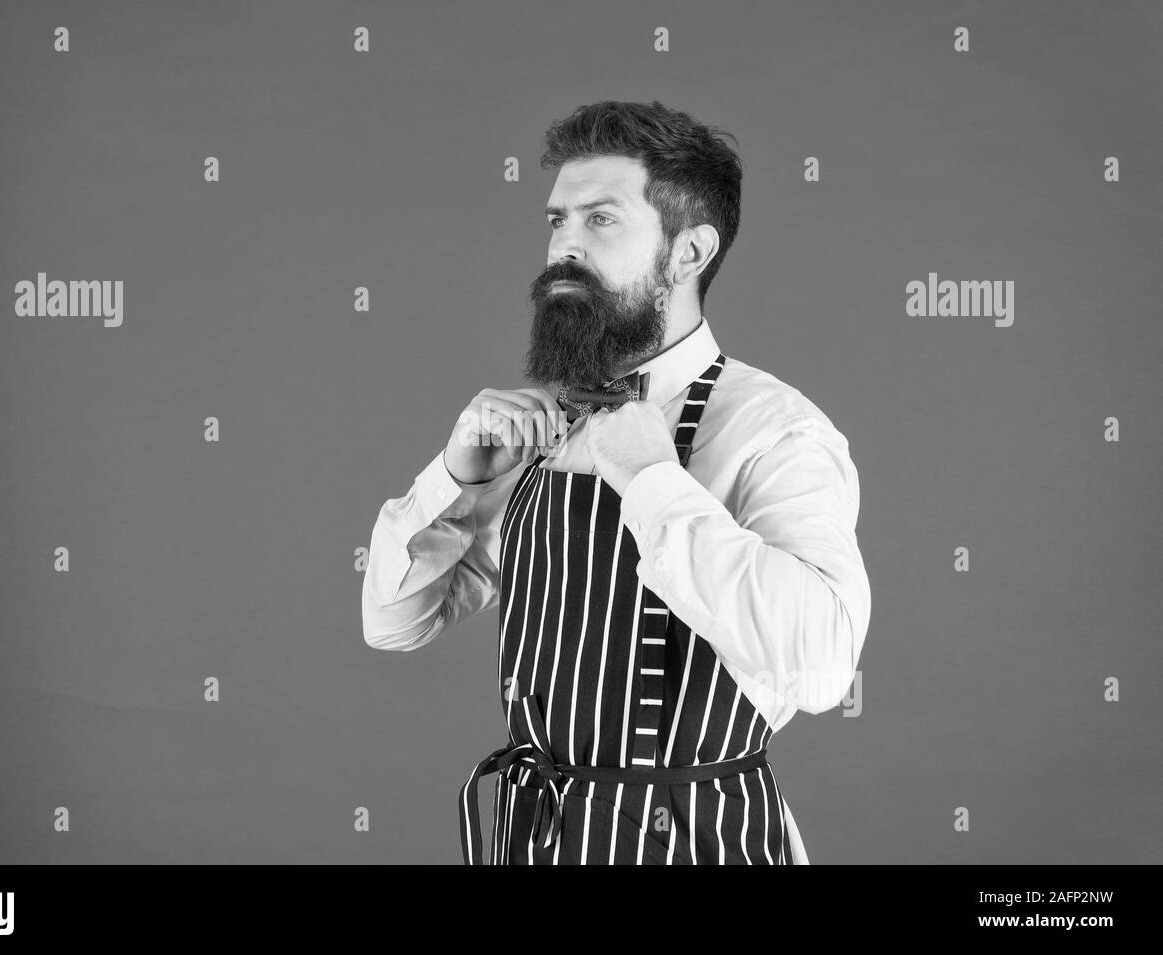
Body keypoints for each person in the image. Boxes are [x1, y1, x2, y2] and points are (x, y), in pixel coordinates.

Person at [361, 100, 872, 864]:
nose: (563, 247)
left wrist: (651, 477)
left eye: (600, 221)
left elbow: (824, 663)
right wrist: (455, 481)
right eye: (556, 220)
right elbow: (393, 624)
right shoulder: (538, 427)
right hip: (537, 840)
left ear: (689, 251)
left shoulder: (775, 429)